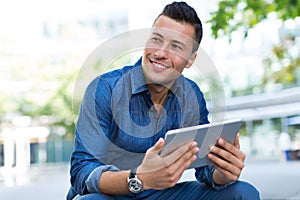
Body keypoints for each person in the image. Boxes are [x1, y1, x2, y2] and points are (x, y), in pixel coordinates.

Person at [68, 2, 260, 199]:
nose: (160, 53)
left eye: (176, 47)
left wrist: (223, 173)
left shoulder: (191, 96)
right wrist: (140, 178)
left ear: (191, 60)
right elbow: (82, 172)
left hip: (161, 194)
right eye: (156, 40)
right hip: (112, 193)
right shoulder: (104, 89)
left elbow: (203, 167)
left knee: (243, 192)